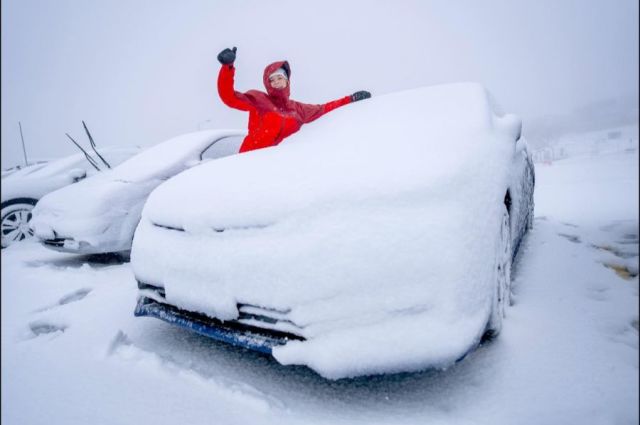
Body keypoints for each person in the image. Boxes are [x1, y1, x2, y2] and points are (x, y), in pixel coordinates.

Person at [217, 47, 371, 153]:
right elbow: (229, 97)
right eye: (272, 79)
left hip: (278, 164)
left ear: (287, 80)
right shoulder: (259, 100)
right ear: (267, 83)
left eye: (280, 77)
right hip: (248, 160)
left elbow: (325, 109)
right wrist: (227, 67)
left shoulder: (298, 109)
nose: (277, 82)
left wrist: (350, 99)